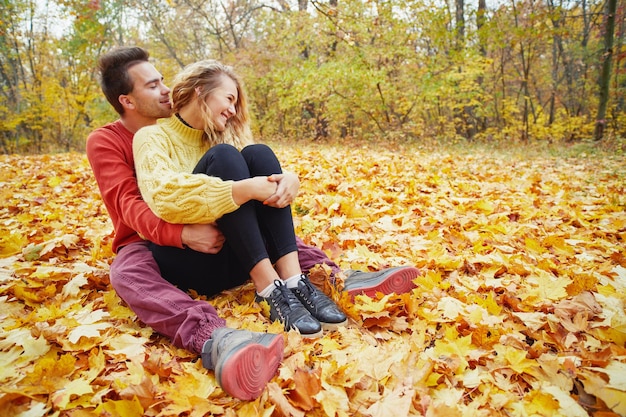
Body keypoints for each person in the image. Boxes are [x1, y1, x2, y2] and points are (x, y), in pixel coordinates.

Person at [86, 46, 418, 399]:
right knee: (126, 273)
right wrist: (182, 234)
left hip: (221, 232)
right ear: (128, 100)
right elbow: (130, 205)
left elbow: (252, 170)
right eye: (153, 86)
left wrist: (286, 180)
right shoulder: (114, 140)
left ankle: (331, 279)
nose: (166, 89)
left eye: (164, 81)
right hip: (151, 238)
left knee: (257, 190)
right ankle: (216, 338)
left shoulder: (210, 130)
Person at [132, 58, 349, 339]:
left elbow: (263, 178)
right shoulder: (152, 137)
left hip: (237, 258)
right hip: (190, 261)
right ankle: (269, 289)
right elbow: (163, 196)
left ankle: (294, 281)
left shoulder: (226, 138)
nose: (233, 110)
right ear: (200, 91)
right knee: (224, 157)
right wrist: (242, 190)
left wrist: (289, 179)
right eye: (229, 99)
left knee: (258, 153)